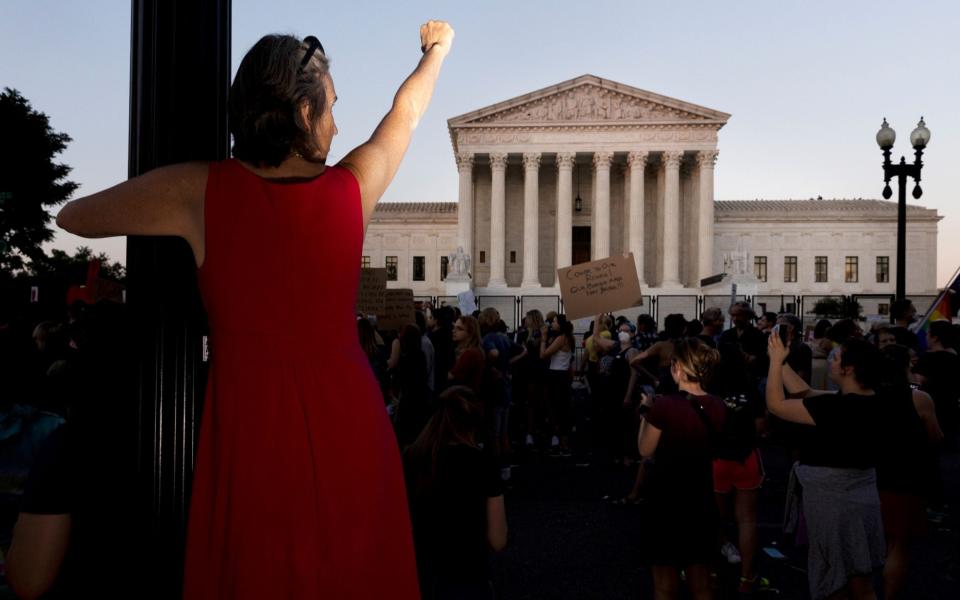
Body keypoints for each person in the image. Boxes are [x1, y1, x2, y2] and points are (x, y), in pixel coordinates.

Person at [55, 22, 455, 599]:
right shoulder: (351, 188)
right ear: (302, 111)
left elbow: (76, 217)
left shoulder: (202, 192)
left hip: (250, 426)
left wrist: (173, 186)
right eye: (332, 106)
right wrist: (437, 50)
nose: (338, 123)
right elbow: (407, 110)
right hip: (350, 422)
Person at [766, 334, 887, 600]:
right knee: (859, 575)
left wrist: (774, 365)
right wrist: (781, 361)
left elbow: (776, 405)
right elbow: (806, 393)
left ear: (848, 368)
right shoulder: (873, 400)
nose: (831, 361)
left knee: (834, 577)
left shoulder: (835, 407)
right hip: (863, 498)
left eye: (836, 358)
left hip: (833, 503)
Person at [638, 338, 724, 600]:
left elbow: (645, 449)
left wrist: (645, 412)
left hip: (666, 498)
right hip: (701, 496)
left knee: (665, 584)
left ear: (677, 367)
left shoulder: (664, 405)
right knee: (701, 581)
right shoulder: (718, 405)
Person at [403, 386, 507, 599]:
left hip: (420, 573)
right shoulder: (483, 463)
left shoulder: (412, 457)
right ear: (475, 423)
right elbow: (498, 540)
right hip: (468, 575)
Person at [876, 344, 943, 599]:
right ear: (907, 365)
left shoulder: (868, 394)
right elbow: (935, 436)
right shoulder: (919, 398)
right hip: (907, 476)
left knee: (875, 541)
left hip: (871, 473)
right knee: (899, 544)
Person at [541, 314, 575, 455]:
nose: (552, 324)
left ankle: (563, 445)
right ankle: (563, 443)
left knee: (558, 410)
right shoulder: (569, 337)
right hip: (562, 376)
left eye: (554, 322)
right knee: (562, 409)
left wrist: (543, 339)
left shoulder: (561, 338)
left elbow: (543, 355)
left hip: (557, 376)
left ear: (560, 324)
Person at [450, 316, 485, 395]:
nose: (454, 331)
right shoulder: (472, 350)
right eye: (454, 327)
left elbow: (452, 377)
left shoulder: (470, 353)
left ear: (470, 332)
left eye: (459, 329)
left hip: (466, 399)